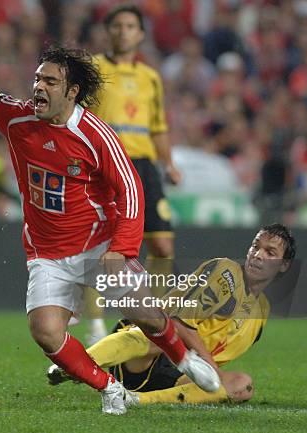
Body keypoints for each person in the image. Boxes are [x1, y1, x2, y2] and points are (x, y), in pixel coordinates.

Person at [0, 38, 219, 415]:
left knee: (143, 311)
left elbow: (131, 190)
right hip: (48, 252)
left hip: (98, 244)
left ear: (72, 92)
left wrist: (121, 249)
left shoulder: (96, 135)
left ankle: (184, 358)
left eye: (50, 82)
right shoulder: (15, 116)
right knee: (45, 331)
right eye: (37, 80)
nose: (39, 88)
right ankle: (110, 389)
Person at [48, 223, 296, 406]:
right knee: (156, 337)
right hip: (150, 347)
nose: (258, 255)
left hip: (180, 373)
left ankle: (136, 400)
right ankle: (74, 364)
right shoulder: (227, 273)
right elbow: (179, 323)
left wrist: (213, 375)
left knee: (243, 385)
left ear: (283, 265)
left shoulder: (261, 310)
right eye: (256, 246)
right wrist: (215, 372)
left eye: (270, 252)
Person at [83, 5, 184, 344]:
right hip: (108, 161)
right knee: (104, 245)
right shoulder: (93, 69)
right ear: (108, 31)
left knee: (162, 242)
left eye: (131, 26)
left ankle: (152, 315)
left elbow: (158, 127)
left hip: (144, 164)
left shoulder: (151, 77)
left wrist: (168, 163)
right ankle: (96, 321)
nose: (124, 31)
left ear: (141, 34)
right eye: (118, 25)